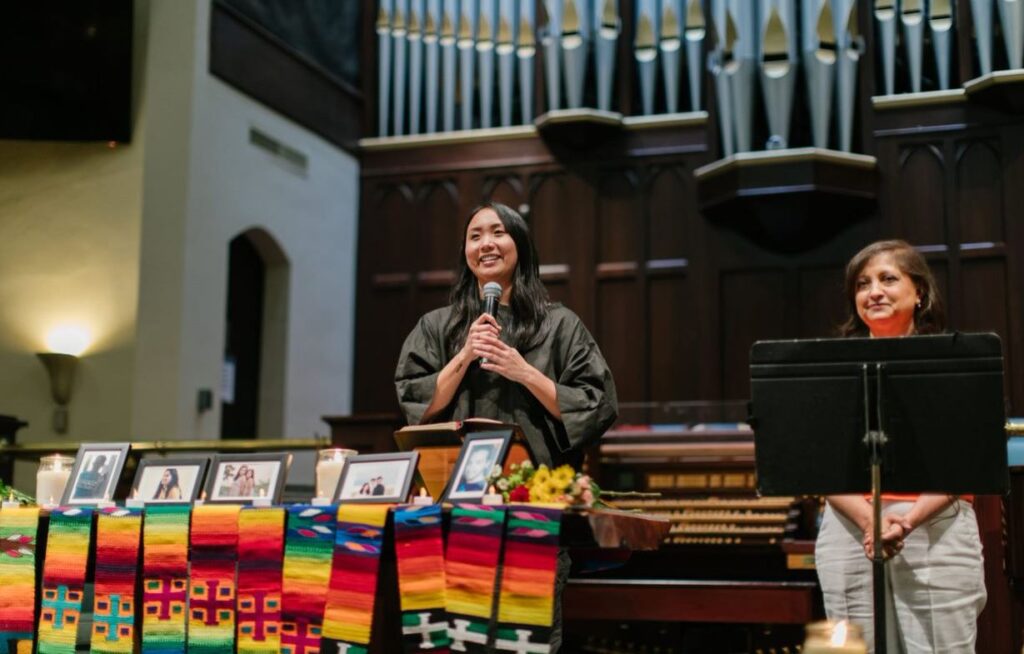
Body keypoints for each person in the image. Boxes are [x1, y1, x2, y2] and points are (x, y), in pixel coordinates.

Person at [814, 239, 986, 653]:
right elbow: (818, 462)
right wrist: (870, 520)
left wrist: (905, 520)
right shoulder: (829, 372)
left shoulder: (953, 364)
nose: (873, 291)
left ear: (919, 291)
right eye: (862, 283)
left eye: (888, 279)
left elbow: (964, 461)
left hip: (935, 524)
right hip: (849, 528)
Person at [394, 202, 618, 470]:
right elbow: (416, 404)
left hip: (538, 484)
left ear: (520, 244)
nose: (486, 244)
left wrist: (525, 373)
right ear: (466, 252)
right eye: (475, 237)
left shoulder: (559, 325)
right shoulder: (435, 325)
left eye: (498, 232)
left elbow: (596, 406)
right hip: (455, 481)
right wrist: (464, 357)